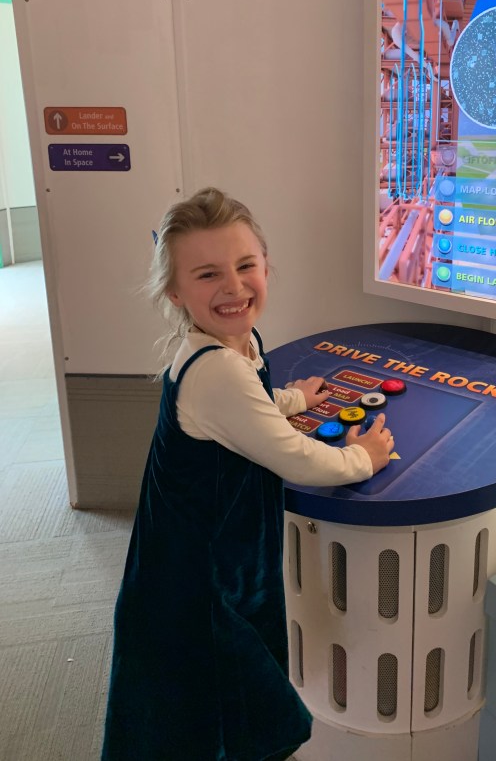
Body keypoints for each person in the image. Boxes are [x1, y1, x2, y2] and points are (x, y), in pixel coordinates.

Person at [101, 187, 394, 761]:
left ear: (266, 265)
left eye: (245, 266)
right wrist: (363, 458)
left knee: (213, 709)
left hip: (200, 564)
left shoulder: (234, 346)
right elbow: (295, 457)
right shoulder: (216, 373)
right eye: (208, 274)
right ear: (175, 291)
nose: (234, 287)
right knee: (219, 715)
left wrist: (291, 399)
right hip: (199, 583)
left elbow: (246, 408)